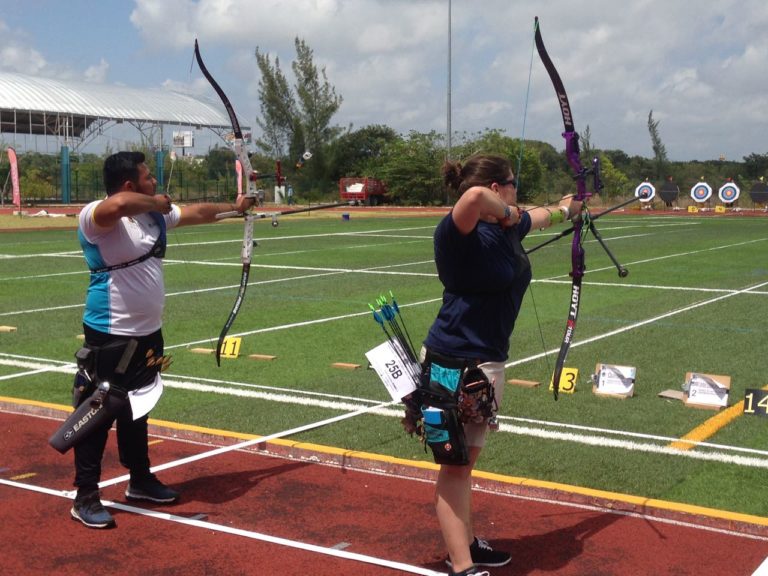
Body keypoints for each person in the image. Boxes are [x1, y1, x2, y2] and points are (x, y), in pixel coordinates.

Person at [70, 151, 254, 529]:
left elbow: (197, 213)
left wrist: (234, 208)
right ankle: (85, 495)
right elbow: (119, 205)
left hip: (148, 334)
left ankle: (139, 479)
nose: (155, 181)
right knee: (97, 413)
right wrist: (155, 201)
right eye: (147, 177)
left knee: (138, 407)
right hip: (109, 333)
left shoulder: (153, 216)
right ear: (129, 184)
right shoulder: (96, 217)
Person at [420, 154, 581, 576]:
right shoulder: (456, 233)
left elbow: (540, 217)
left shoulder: (508, 228)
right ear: (497, 188)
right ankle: (462, 565)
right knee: (455, 467)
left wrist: (568, 208)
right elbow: (474, 198)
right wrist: (511, 214)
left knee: (465, 465)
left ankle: (467, 543)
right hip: (453, 364)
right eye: (513, 184)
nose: (517, 191)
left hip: (487, 362)